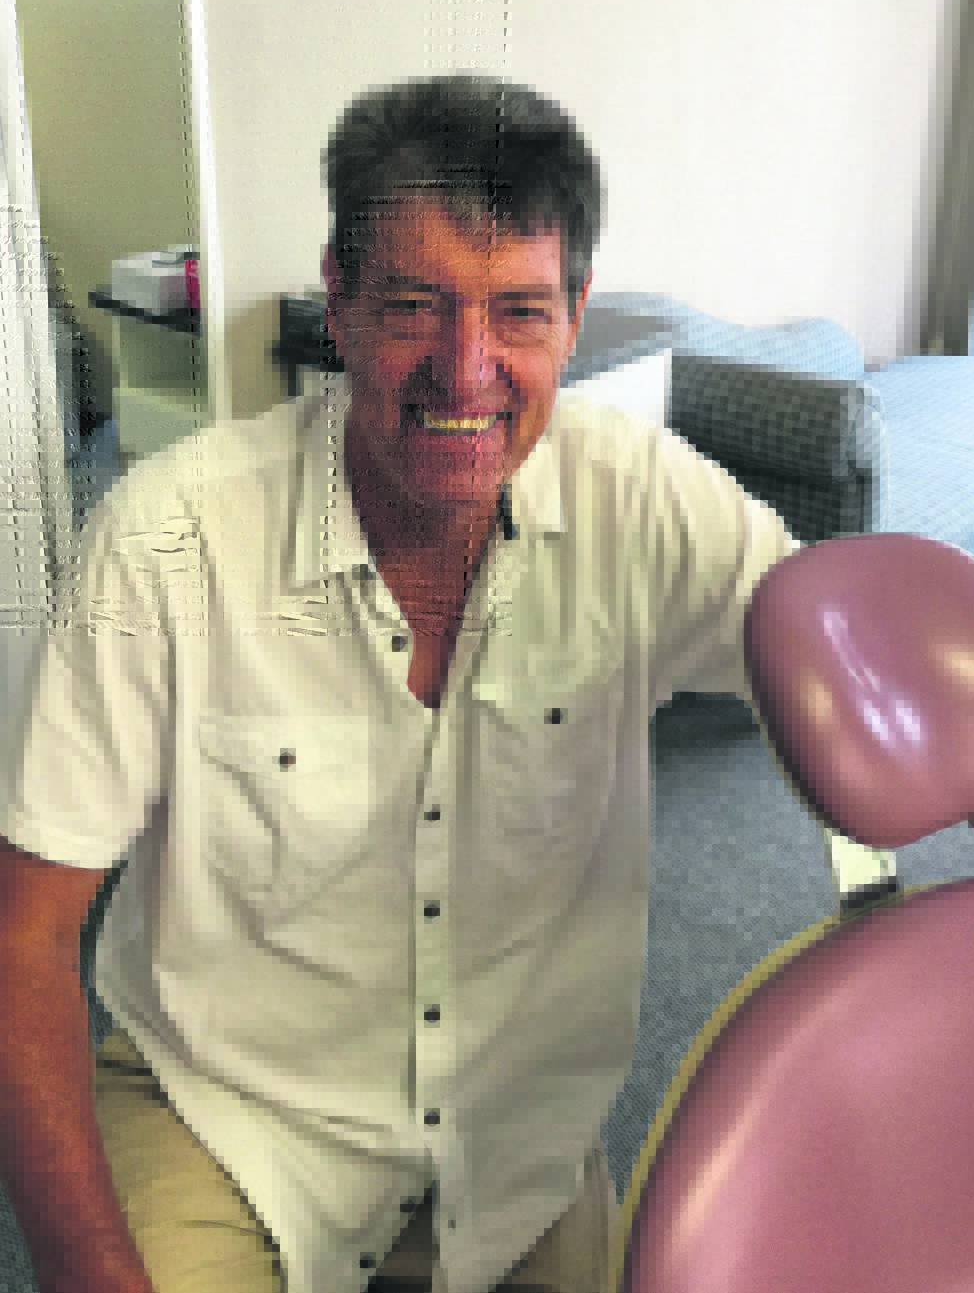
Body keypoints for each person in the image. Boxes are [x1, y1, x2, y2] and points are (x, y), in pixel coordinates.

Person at [0, 73, 801, 1293]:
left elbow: (905, 686)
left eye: (519, 313)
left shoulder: (644, 502)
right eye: (416, 306)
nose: (465, 371)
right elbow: (26, 932)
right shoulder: (165, 543)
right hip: (233, 1123)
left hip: (516, 1145)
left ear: (575, 316)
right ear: (339, 300)